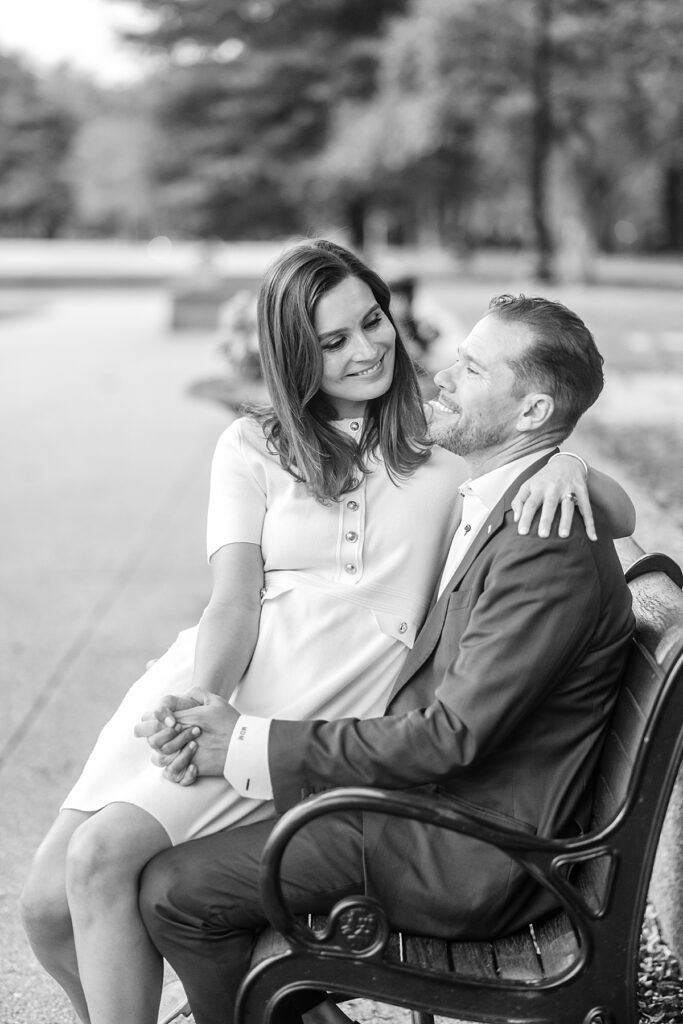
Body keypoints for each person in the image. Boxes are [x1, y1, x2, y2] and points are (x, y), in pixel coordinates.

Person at [20, 241, 633, 1024]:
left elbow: (591, 495)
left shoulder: (438, 440)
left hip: (322, 712)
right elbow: (233, 602)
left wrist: (565, 464)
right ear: (295, 354)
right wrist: (203, 704)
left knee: (106, 863)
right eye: (333, 341)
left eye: (372, 321)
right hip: (230, 682)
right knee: (46, 909)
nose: (366, 349)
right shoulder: (253, 444)